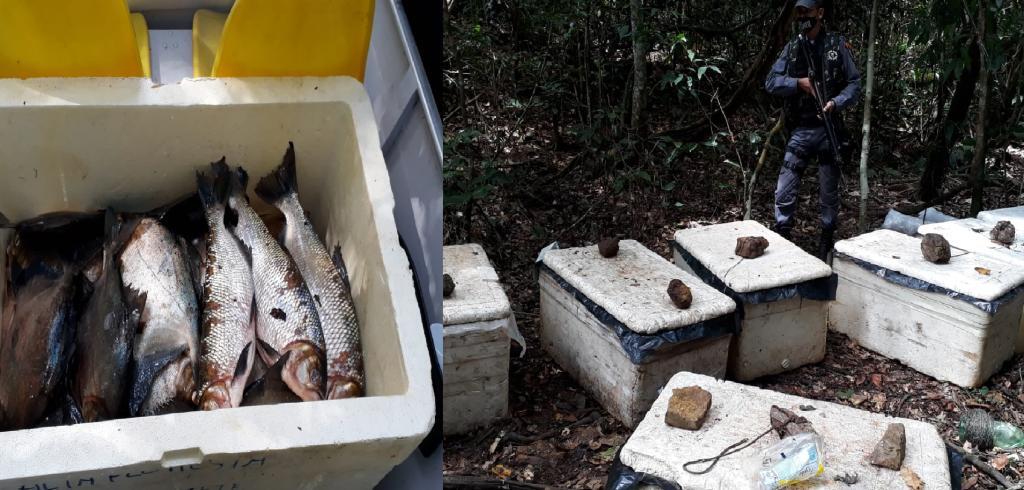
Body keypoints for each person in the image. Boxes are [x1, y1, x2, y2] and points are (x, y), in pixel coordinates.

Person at [764, 0, 861, 260]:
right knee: (784, 189)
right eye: (799, 12)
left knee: (828, 190)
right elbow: (771, 82)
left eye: (807, 11)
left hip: (829, 129)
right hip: (801, 129)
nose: (803, 16)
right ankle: (783, 239)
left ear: (820, 12)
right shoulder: (794, 46)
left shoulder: (836, 45)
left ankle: (826, 244)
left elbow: (854, 83)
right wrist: (799, 84)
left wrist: (835, 102)